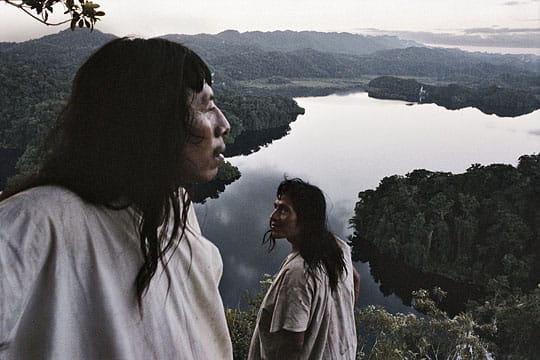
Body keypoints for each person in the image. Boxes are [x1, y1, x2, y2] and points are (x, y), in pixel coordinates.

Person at [0, 37, 233, 359]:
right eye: (206, 107)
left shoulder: (175, 211)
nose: (224, 124)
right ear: (151, 120)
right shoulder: (32, 223)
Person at [248, 178, 359, 360]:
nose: (273, 216)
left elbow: (292, 346)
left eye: (284, 210)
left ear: (306, 219)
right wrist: (338, 320)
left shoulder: (299, 272)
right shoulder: (338, 248)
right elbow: (355, 280)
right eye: (276, 207)